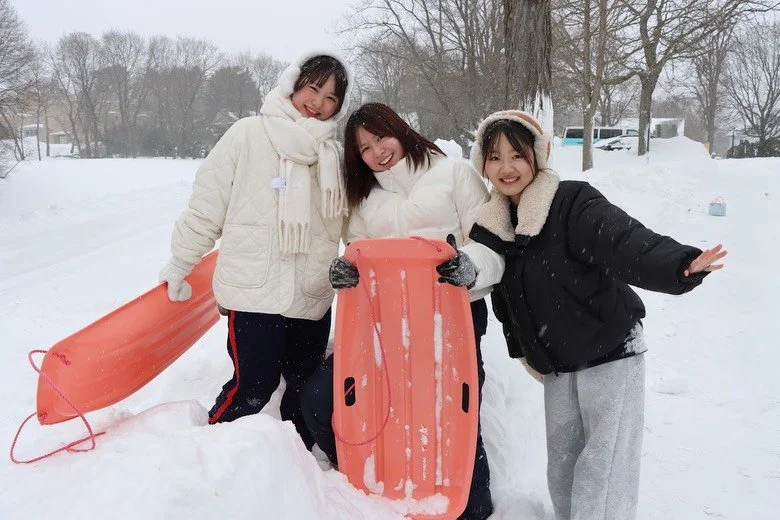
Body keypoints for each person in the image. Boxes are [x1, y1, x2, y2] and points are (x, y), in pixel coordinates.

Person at [467, 110, 728, 520]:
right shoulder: (494, 224)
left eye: (516, 155)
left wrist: (679, 263)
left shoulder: (570, 201)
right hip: (557, 364)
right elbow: (502, 296)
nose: (506, 167)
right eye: (495, 157)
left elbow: (625, 241)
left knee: (603, 472)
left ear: (536, 156)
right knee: (564, 469)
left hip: (610, 350)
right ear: (482, 163)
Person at [300, 102, 504, 520]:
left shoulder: (453, 173)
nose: (376, 151)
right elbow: (356, 256)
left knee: (454, 413)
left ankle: (470, 505)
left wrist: (471, 266)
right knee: (320, 400)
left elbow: (493, 243)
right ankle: (371, 477)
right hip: (383, 323)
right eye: (364, 148)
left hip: (450, 319)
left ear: (400, 129)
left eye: (380, 137)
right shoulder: (364, 199)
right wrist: (343, 273)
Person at [157, 52, 352, 452]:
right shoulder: (247, 134)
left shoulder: (335, 156)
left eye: (331, 97)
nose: (318, 102)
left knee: (302, 391)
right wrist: (181, 261)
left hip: (310, 295)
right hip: (252, 291)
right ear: (292, 84)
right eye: (313, 88)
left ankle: (291, 470)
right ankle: (208, 454)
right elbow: (207, 205)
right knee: (253, 387)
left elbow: (357, 223)